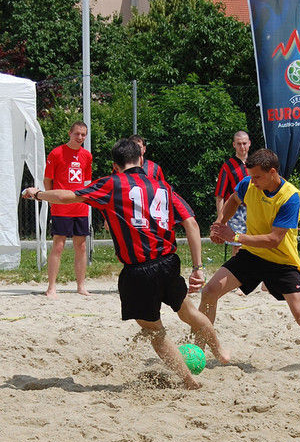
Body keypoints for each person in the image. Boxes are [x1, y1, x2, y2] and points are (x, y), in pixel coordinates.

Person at [23, 139, 229, 389]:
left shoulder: (112, 183)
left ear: (115, 165)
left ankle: (188, 381)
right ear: (141, 160)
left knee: (155, 331)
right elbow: (192, 223)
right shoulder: (162, 185)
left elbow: (68, 197)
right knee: (189, 312)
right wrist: (197, 267)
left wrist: (38, 194)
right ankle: (222, 354)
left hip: (139, 270)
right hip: (169, 262)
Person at [197, 148, 300, 363]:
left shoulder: (290, 196)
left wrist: (235, 236)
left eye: (257, 176)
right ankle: (199, 351)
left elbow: (274, 239)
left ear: (272, 172)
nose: (253, 181)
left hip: (282, 261)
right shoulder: (248, 183)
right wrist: (219, 224)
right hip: (252, 255)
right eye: (251, 176)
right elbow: (233, 200)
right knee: (209, 292)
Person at [43, 121, 92, 298]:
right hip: (61, 207)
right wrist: (50, 198)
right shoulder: (56, 153)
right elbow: (48, 179)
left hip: (80, 207)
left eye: (83, 134)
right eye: (77, 133)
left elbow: (86, 182)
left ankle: (80, 286)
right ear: (70, 133)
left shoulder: (87, 155)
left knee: (81, 246)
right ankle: (51, 287)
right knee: (59, 245)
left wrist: (86, 201)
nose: (80, 137)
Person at [215, 131, 251, 257]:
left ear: (249, 144)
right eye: (239, 144)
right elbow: (220, 195)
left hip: (255, 208)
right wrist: (221, 219)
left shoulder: (255, 164)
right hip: (237, 210)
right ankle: (237, 274)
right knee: (238, 245)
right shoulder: (228, 166)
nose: (242, 147)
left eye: (244, 143)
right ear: (234, 145)